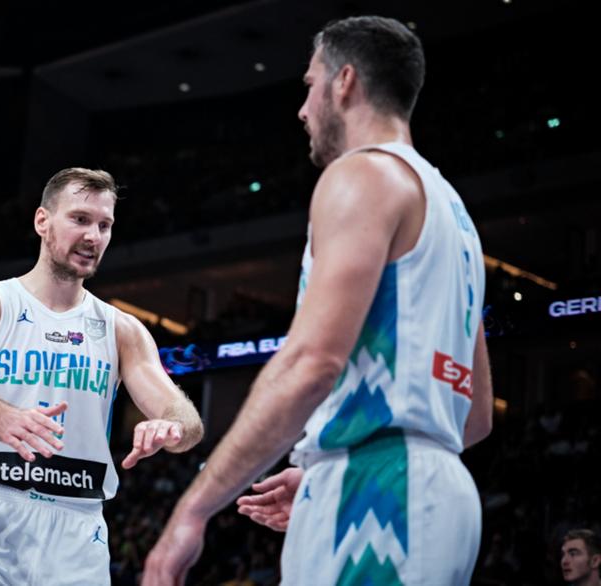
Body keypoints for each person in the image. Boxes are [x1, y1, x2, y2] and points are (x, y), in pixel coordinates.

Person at [143, 15, 493, 585]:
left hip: (381, 496)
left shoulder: (363, 175)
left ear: (344, 81)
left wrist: (194, 509)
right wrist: (331, 464)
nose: (303, 109)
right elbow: (474, 415)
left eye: (309, 84)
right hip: (428, 491)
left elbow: (311, 364)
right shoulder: (453, 212)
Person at [0, 167, 203, 585]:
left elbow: (186, 419)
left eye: (104, 225)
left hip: (78, 525)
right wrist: (0, 415)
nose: (93, 236)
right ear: (43, 221)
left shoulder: (121, 329)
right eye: (80, 219)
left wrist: (172, 426)